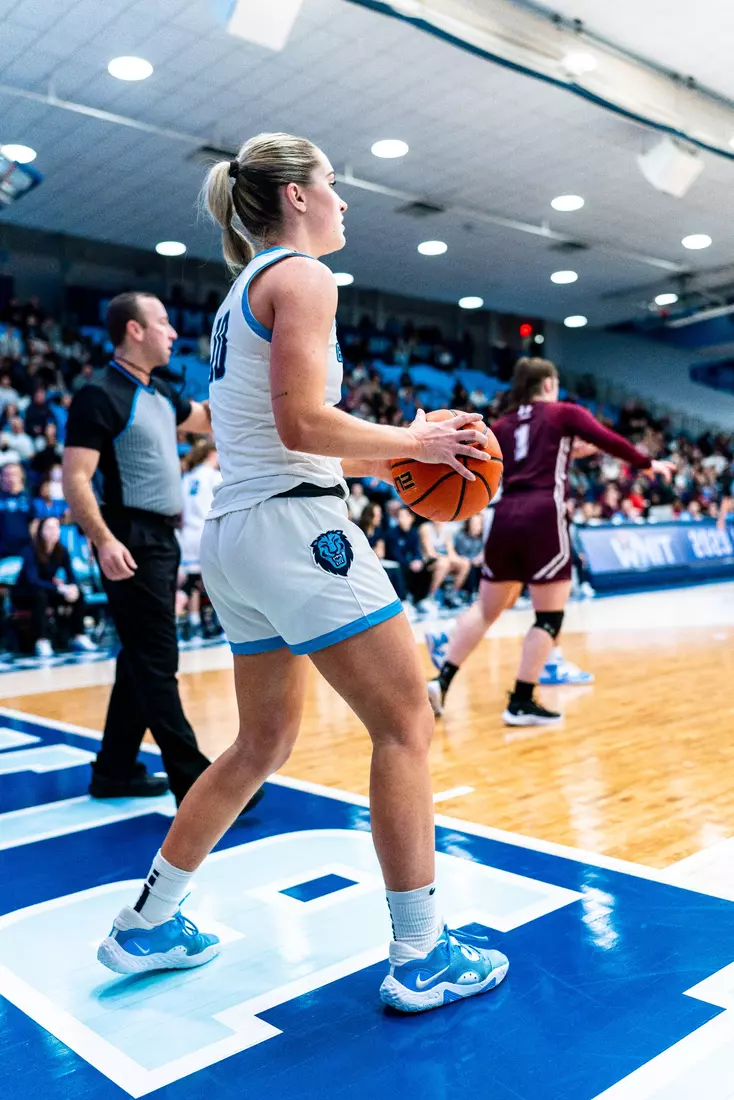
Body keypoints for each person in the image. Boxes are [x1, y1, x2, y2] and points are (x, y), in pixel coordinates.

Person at [95, 131, 509, 1014]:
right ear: (294, 195)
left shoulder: (237, 294)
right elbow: (302, 429)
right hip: (294, 529)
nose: (345, 201)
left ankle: (148, 923)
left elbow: (287, 432)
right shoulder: (305, 277)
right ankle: (423, 954)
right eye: (334, 183)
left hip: (238, 537)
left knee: (261, 744)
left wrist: (399, 452)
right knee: (405, 720)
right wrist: (420, 442)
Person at [62, 292, 263, 811]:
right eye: (163, 323)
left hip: (161, 540)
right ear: (133, 331)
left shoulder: (160, 392)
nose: (173, 333)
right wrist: (103, 539)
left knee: (138, 659)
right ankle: (197, 788)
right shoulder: (98, 395)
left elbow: (208, 418)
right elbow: (76, 479)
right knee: (156, 661)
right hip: (129, 537)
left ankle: (114, 770)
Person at [427, 357, 673, 725]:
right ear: (547, 385)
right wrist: (646, 464)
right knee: (549, 616)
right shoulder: (564, 413)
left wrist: (567, 450)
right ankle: (521, 700)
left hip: (505, 515)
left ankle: (441, 681)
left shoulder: (503, 426)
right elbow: (608, 439)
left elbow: (512, 462)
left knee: (485, 609)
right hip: (544, 515)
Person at [12, 516, 95, 658]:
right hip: (25, 593)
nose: (54, 531)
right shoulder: (30, 550)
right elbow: (32, 580)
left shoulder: (61, 550)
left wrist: (72, 587)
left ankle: (79, 636)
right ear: (41, 531)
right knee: (40, 596)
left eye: (56, 527)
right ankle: (41, 641)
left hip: (49, 590)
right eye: (49, 528)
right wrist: (60, 589)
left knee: (79, 594)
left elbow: (71, 575)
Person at [178, 440, 222, 637]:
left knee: (193, 583)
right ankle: (221, 623)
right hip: (207, 531)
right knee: (218, 580)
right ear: (212, 453)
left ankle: (194, 623)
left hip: (188, 534)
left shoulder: (187, 478)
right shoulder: (214, 476)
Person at [417, 519, 470, 610]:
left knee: (465, 563)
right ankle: (431, 596)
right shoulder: (425, 527)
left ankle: (453, 594)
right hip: (428, 561)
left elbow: (450, 551)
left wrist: (459, 560)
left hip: (444, 559)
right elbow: (430, 552)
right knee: (444, 563)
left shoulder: (447, 529)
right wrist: (446, 558)